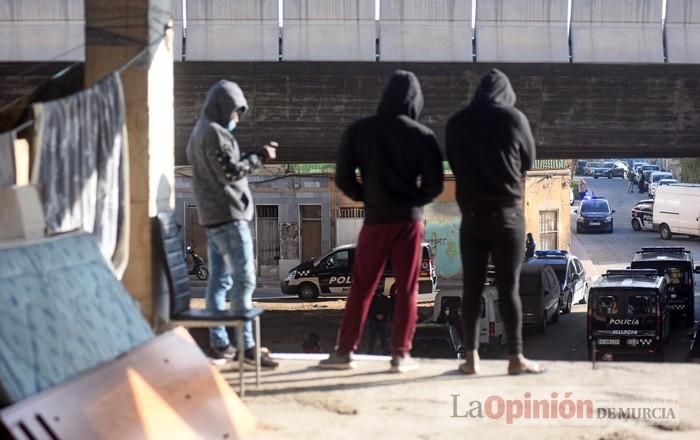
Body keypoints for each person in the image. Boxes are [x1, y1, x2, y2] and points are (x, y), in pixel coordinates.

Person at [319, 70, 444, 373]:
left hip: (375, 221)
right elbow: (435, 185)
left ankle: (344, 352)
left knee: (362, 286)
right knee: (407, 288)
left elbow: (345, 178)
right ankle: (401, 355)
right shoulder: (422, 135)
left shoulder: (359, 131)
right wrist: (411, 200)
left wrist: (369, 197)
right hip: (408, 223)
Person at [446, 69, 545, 376]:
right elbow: (528, 160)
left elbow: (452, 159)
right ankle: (516, 358)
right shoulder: (514, 119)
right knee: (508, 288)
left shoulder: (457, 122)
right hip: (507, 217)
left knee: (472, 290)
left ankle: (472, 358)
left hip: (472, 218)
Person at [186, 79, 279, 368]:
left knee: (218, 282)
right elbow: (230, 172)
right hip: (229, 217)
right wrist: (260, 157)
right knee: (245, 280)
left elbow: (223, 166)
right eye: (235, 111)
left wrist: (249, 152)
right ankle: (247, 347)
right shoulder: (213, 133)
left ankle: (219, 344)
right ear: (223, 107)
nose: (236, 118)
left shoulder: (198, 133)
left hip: (214, 220)